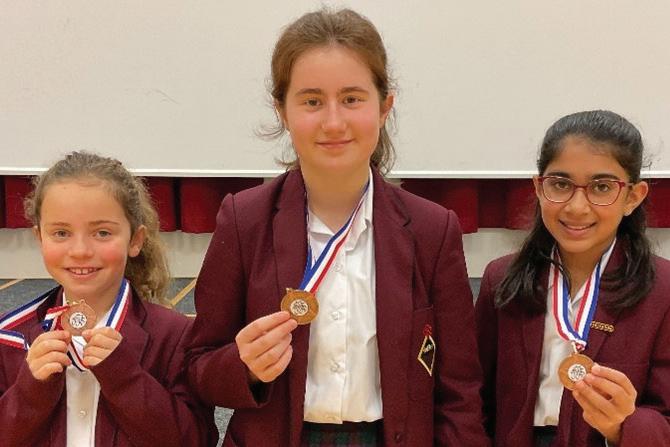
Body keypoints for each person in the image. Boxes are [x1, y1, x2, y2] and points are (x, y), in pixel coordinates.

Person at [186, 7, 489, 447]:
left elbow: (460, 394)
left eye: (352, 99)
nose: (333, 122)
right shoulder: (244, 220)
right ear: (282, 110)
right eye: (312, 101)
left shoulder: (432, 230)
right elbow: (198, 365)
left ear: (384, 107)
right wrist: (242, 367)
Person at [476, 110, 670, 446]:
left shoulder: (663, 290)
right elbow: (472, 396)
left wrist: (623, 426)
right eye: (561, 184)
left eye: (602, 187)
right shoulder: (502, 279)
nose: (577, 207)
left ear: (633, 197)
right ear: (539, 188)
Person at [0, 151, 217, 446]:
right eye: (61, 233)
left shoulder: (176, 336)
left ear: (135, 240)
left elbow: (194, 440)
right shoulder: (9, 337)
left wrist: (125, 378)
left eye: (102, 233)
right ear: (40, 238)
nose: (80, 251)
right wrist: (29, 392)